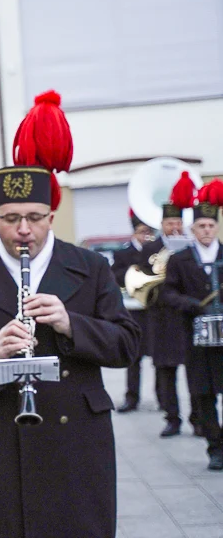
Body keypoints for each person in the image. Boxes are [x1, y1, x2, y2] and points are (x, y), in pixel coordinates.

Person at [0, 91, 140, 538]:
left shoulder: (90, 267)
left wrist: (71, 324)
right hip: (0, 442)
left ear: (51, 216)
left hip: (77, 438)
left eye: (34, 216)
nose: (23, 230)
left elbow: (127, 344)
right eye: (10, 219)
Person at [160, 183, 223, 470]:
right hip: (196, 339)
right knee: (203, 393)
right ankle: (215, 447)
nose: (207, 230)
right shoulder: (180, 259)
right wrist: (191, 304)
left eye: (211, 224)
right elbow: (167, 293)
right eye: (201, 225)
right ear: (193, 229)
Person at [143, 180, 201, 437]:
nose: (175, 227)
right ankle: (171, 417)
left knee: (195, 371)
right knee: (166, 372)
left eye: (178, 223)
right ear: (162, 225)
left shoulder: (193, 247)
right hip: (161, 317)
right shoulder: (150, 249)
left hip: (187, 317)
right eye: (170, 223)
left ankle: (198, 417)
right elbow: (139, 282)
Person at [111, 209, 155, 413]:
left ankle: (164, 398)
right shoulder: (122, 253)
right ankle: (132, 397)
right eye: (142, 231)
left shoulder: (157, 252)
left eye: (148, 231)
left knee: (159, 358)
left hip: (153, 310)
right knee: (133, 357)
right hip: (133, 310)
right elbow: (116, 277)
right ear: (134, 232)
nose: (145, 235)